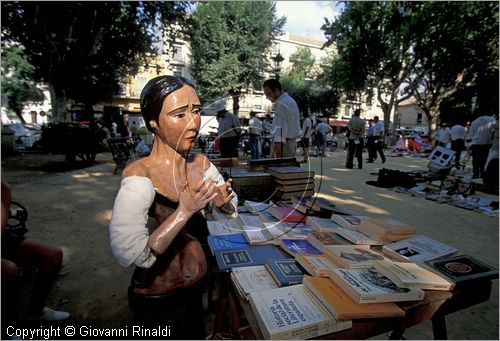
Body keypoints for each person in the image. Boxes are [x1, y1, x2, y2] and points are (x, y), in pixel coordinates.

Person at [109, 76, 238, 338]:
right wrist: (184, 211)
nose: (193, 122)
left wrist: (222, 203)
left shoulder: (200, 165)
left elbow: (230, 209)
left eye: (197, 111)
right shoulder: (140, 176)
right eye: (179, 115)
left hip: (193, 290)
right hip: (158, 300)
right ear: (153, 122)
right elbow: (129, 253)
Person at [1, 182, 69, 323]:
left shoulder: (2, 189)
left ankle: (36, 311)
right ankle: (6, 328)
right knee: (9, 270)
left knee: (52, 255)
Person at [263, 79, 300, 158]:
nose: (267, 97)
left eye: (268, 94)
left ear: (276, 90)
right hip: (289, 144)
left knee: (278, 169)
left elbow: (279, 133)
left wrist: (276, 154)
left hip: (283, 147)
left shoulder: (282, 104)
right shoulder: (289, 100)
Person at [466, 113, 496, 179]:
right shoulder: (492, 119)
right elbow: (494, 131)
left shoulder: (474, 122)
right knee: (484, 160)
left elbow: (470, 135)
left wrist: (468, 146)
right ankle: (482, 175)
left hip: (475, 144)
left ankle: (475, 175)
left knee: (475, 160)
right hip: (486, 144)